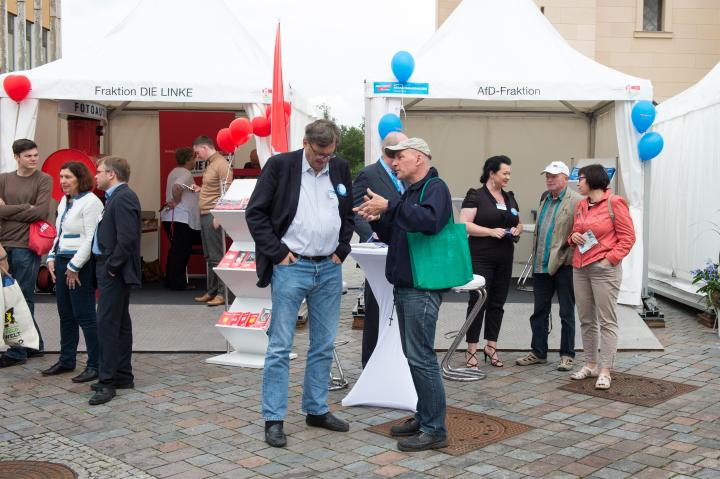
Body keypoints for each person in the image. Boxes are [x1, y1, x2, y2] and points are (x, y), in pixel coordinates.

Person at [246, 119, 353, 448]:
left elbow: (347, 211)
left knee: (323, 344)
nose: (324, 160)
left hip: (329, 268)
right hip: (293, 267)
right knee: (280, 347)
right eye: (320, 154)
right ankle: (273, 418)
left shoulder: (339, 167)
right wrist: (278, 253)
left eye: (329, 154)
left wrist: (343, 247)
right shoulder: (281, 166)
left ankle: (316, 409)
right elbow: (256, 213)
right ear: (306, 143)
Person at [354, 137, 450, 452]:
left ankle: (435, 428)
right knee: (414, 356)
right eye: (392, 158)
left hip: (422, 287)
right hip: (409, 284)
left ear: (419, 158)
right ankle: (424, 416)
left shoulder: (435, 188)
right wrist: (379, 219)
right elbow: (402, 231)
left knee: (421, 357)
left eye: (400, 157)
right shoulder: (410, 192)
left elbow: (430, 222)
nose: (394, 163)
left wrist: (390, 206)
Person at [568, 164, 635, 390]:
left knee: (607, 321)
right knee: (586, 319)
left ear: (593, 180)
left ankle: (605, 370)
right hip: (580, 266)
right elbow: (576, 232)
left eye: (581, 178)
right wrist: (573, 237)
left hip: (604, 269)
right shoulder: (580, 204)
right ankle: (591, 364)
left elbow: (628, 238)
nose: (578, 182)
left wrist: (609, 260)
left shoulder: (614, 202)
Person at [516, 161, 581, 371]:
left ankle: (567, 355)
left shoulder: (577, 201)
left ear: (565, 178)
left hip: (565, 265)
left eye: (553, 176)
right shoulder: (545, 198)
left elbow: (581, 231)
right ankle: (538, 352)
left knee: (566, 312)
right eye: (547, 176)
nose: (549, 179)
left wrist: (569, 256)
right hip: (541, 264)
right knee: (539, 311)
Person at [43, 162, 104, 382]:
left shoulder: (91, 202)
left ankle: (95, 364)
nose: (63, 181)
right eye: (61, 176)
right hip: (61, 261)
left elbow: (91, 238)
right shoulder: (64, 201)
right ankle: (66, 359)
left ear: (80, 178)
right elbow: (58, 233)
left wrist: (74, 266)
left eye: (68, 177)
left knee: (85, 315)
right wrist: (51, 257)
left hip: (79, 265)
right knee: (65, 315)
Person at [89, 156, 142, 406]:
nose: (95, 176)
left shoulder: (123, 197)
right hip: (110, 268)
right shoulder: (116, 198)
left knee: (108, 324)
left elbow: (128, 238)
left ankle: (107, 381)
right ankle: (121, 375)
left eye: (98, 172)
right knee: (118, 323)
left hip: (113, 269)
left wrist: (111, 267)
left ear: (111, 174)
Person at [460, 155, 522, 369]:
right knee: (478, 302)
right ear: (491, 173)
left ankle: (491, 347)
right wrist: (489, 231)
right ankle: (471, 349)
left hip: (505, 257)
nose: (508, 177)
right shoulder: (475, 196)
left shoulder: (509, 197)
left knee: (498, 303)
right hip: (481, 257)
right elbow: (464, 225)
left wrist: (517, 229)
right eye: (505, 173)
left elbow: (518, 222)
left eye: (509, 173)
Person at [352, 131, 408, 368]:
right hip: (379, 254)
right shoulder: (369, 174)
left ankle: (398, 358)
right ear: (392, 153)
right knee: (376, 308)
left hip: (404, 251)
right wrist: (371, 235)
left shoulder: (406, 176)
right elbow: (355, 210)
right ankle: (372, 364)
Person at [0, 139, 52, 368]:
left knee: (22, 296)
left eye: (36, 155)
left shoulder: (44, 179)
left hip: (26, 245)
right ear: (16, 157)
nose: (34, 159)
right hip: (3, 244)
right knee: (9, 297)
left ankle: (18, 350)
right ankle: (34, 344)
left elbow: (41, 211)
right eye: (29, 156)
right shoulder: (4, 179)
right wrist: (25, 208)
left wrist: (7, 210)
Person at [193, 136, 232, 307]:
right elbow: (216, 188)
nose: (196, 155)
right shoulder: (213, 163)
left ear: (204, 147)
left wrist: (220, 215)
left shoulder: (221, 163)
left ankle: (223, 294)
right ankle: (212, 291)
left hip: (212, 214)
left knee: (216, 256)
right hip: (206, 213)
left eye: (197, 151)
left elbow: (228, 189)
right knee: (210, 256)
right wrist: (202, 189)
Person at [160, 147, 201, 290]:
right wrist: (176, 201)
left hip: (172, 217)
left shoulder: (175, 171)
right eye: (193, 158)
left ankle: (172, 281)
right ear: (189, 159)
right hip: (181, 218)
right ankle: (177, 283)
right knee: (181, 251)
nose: (195, 161)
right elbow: (177, 187)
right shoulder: (185, 173)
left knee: (176, 250)